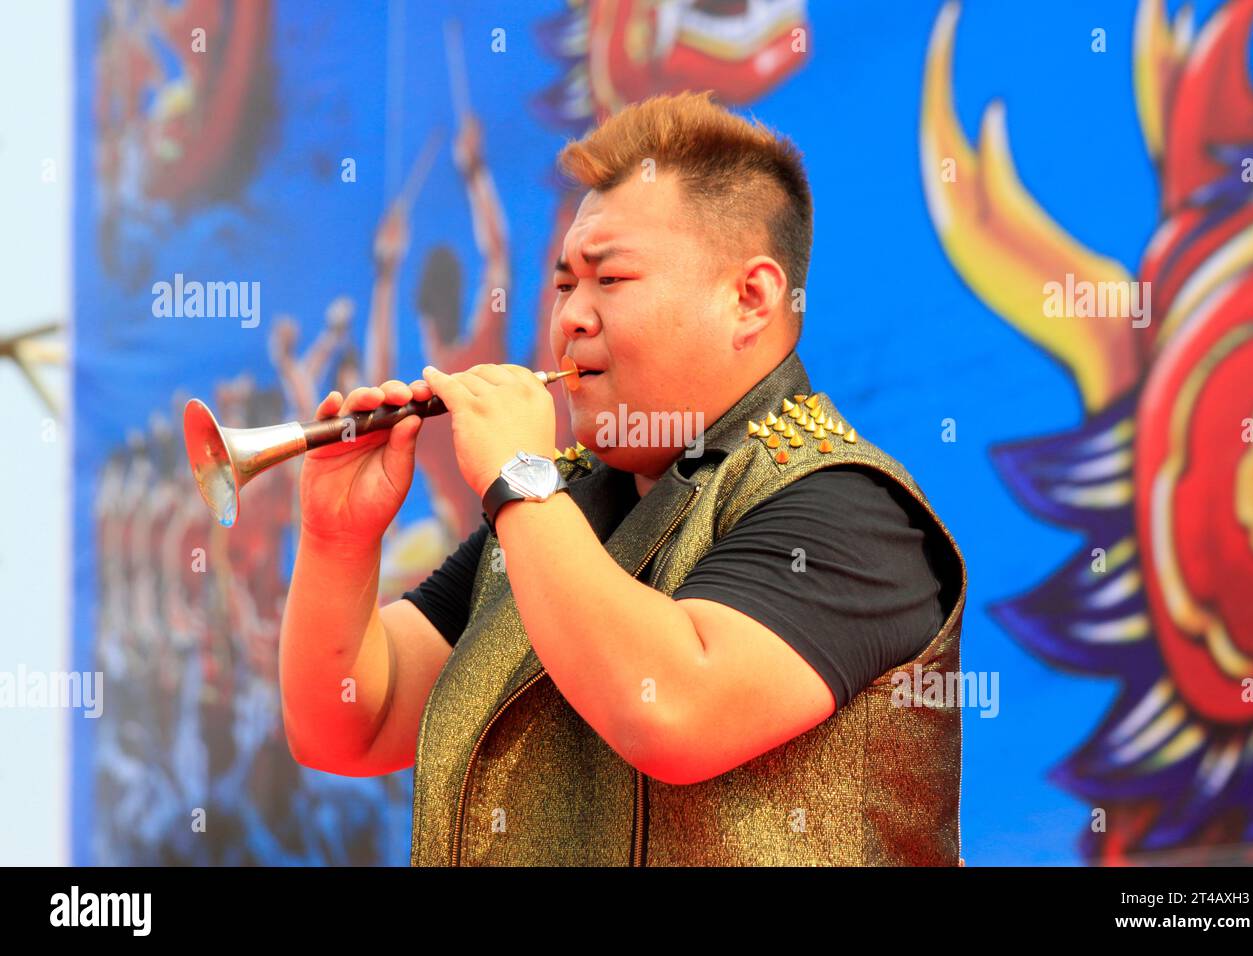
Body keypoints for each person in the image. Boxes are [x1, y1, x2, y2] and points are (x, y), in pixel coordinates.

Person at [280, 90, 967, 866]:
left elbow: (673, 709)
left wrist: (517, 477)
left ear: (751, 298)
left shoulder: (846, 505)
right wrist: (337, 535)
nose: (569, 314)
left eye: (611, 280)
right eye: (566, 282)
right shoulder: (559, 506)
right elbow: (348, 726)